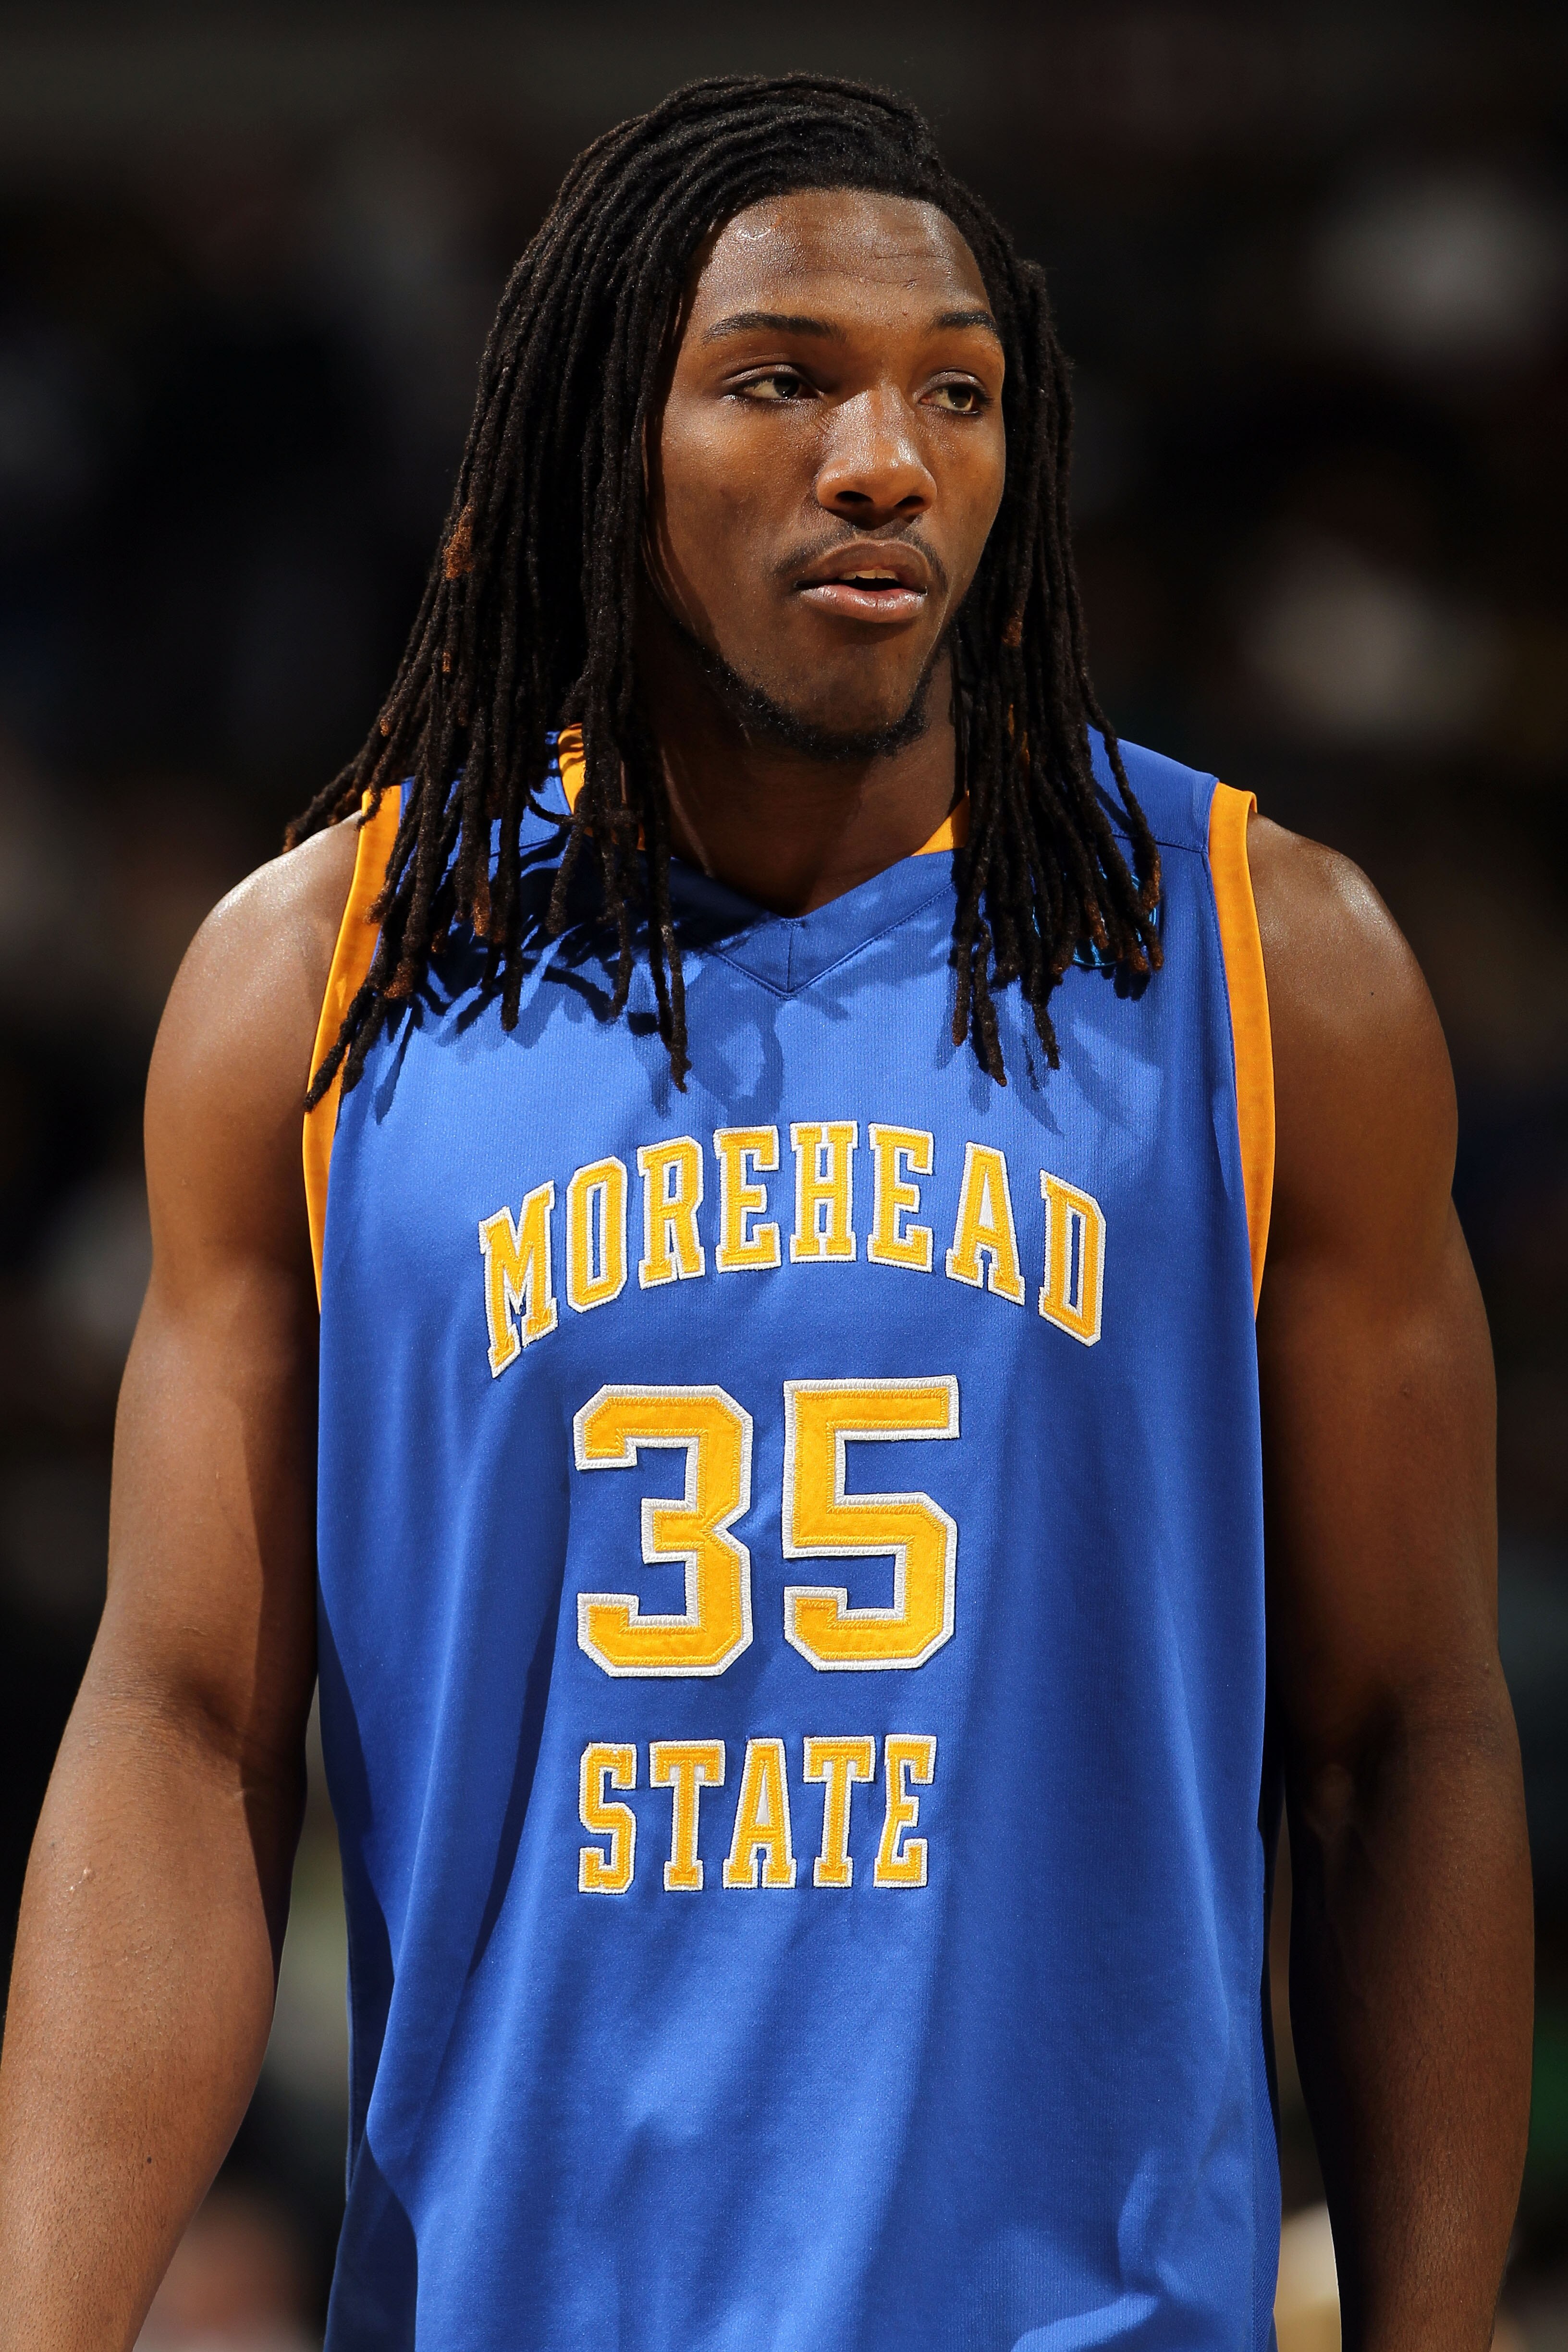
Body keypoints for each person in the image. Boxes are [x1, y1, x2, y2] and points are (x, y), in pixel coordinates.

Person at [0, 74, 1532, 2352]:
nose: (886, 458)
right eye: (782, 380)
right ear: (596, 454)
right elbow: (187, 1728)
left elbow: (1401, 1735)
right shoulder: (316, 985)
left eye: (956, 393)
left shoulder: (1260, 958)